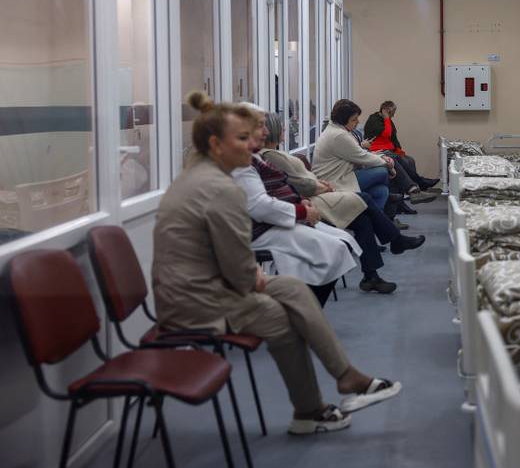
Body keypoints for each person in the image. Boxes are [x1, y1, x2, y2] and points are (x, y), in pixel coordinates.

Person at [152, 91, 400, 435]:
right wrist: (252, 275)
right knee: (280, 316)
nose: (253, 145)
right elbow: (240, 271)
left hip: (209, 285)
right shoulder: (220, 187)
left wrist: (252, 275)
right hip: (197, 301)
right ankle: (310, 409)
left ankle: (345, 378)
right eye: (242, 138)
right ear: (215, 144)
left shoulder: (205, 175)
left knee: (293, 289)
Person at [258, 110, 426, 294]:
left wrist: (319, 184)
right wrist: (322, 186)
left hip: (320, 193)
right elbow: (300, 184)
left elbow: (301, 180)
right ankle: (393, 240)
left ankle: (373, 274)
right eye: (281, 127)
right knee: (366, 198)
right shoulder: (271, 156)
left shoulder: (276, 154)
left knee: (364, 216)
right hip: (316, 199)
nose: (285, 128)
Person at [232, 105, 363, 306]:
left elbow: (275, 190)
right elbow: (259, 204)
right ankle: (305, 307)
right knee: (334, 249)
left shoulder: (254, 157)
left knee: (341, 244)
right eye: (260, 126)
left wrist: (297, 202)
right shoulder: (242, 163)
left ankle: (305, 307)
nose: (266, 132)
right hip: (261, 228)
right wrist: (300, 210)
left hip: (280, 217)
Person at [311, 99, 395, 209]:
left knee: (381, 191)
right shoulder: (339, 135)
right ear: (343, 121)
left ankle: (378, 220)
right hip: (334, 181)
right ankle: (387, 211)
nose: (358, 122)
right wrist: (387, 164)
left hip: (341, 177)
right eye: (354, 119)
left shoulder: (336, 129)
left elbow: (359, 154)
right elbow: (362, 156)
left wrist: (383, 158)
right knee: (383, 172)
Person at [364, 101, 440, 192]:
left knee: (410, 160)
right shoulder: (374, 119)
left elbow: (393, 137)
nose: (393, 115)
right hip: (379, 150)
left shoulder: (387, 120)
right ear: (386, 111)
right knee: (400, 160)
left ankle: (417, 184)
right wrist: (387, 118)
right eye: (392, 112)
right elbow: (386, 134)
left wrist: (398, 149)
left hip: (389, 149)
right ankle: (416, 184)